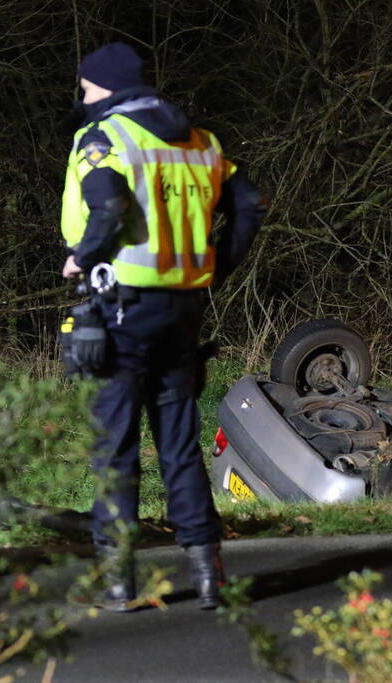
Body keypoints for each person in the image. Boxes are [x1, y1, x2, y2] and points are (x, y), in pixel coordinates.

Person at [59, 42, 266, 610]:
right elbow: (250, 204)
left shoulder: (105, 138)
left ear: (104, 87)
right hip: (182, 310)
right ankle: (209, 573)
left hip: (122, 309)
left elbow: (107, 207)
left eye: (86, 88)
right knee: (178, 444)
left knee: (115, 447)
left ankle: (119, 581)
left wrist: (82, 257)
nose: (83, 97)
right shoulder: (200, 143)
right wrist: (216, 266)